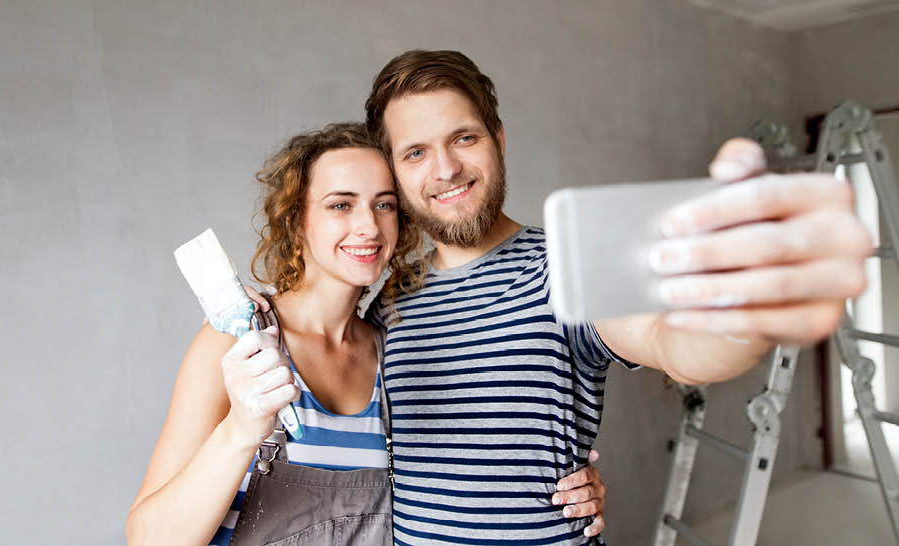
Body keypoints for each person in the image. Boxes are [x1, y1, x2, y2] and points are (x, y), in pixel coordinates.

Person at [360, 49, 873, 545]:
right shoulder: (390, 297)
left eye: (464, 137)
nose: (446, 168)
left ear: (497, 139)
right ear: (394, 171)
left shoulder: (565, 265)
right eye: (416, 152)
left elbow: (669, 342)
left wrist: (743, 312)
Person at [125, 122, 607, 546]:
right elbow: (147, 539)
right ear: (297, 220)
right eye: (340, 205)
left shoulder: (391, 345)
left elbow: (463, 467)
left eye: (384, 205)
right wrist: (240, 431)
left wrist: (563, 478)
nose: (368, 227)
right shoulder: (237, 343)